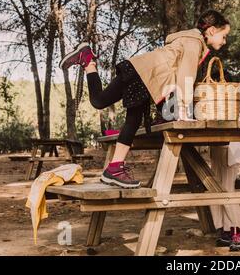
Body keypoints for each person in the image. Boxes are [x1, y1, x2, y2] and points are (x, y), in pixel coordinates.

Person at [60, 10, 230, 188]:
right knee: (132, 119)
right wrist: (184, 110)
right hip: (145, 75)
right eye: (224, 36)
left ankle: (88, 61)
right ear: (211, 30)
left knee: (99, 101)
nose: (224, 41)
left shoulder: (190, 40)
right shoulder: (194, 42)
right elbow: (185, 77)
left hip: (141, 69)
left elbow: (171, 75)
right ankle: (114, 169)